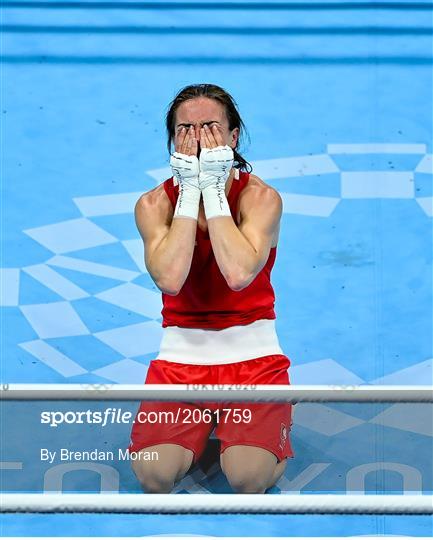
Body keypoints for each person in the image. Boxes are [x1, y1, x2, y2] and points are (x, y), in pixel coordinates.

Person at [128, 83, 294, 494]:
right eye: (186, 129)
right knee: (154, 476)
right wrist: (189, 193)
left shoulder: (260, 199)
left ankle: (254, 426)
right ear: (173, 141)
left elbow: (238, 273)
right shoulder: (153, 206)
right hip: (178, 366)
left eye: (209, 127)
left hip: (256, 363)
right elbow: (169, 279)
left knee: (249, 479)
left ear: (233, 137)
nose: (198, 138)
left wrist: (215, 191)